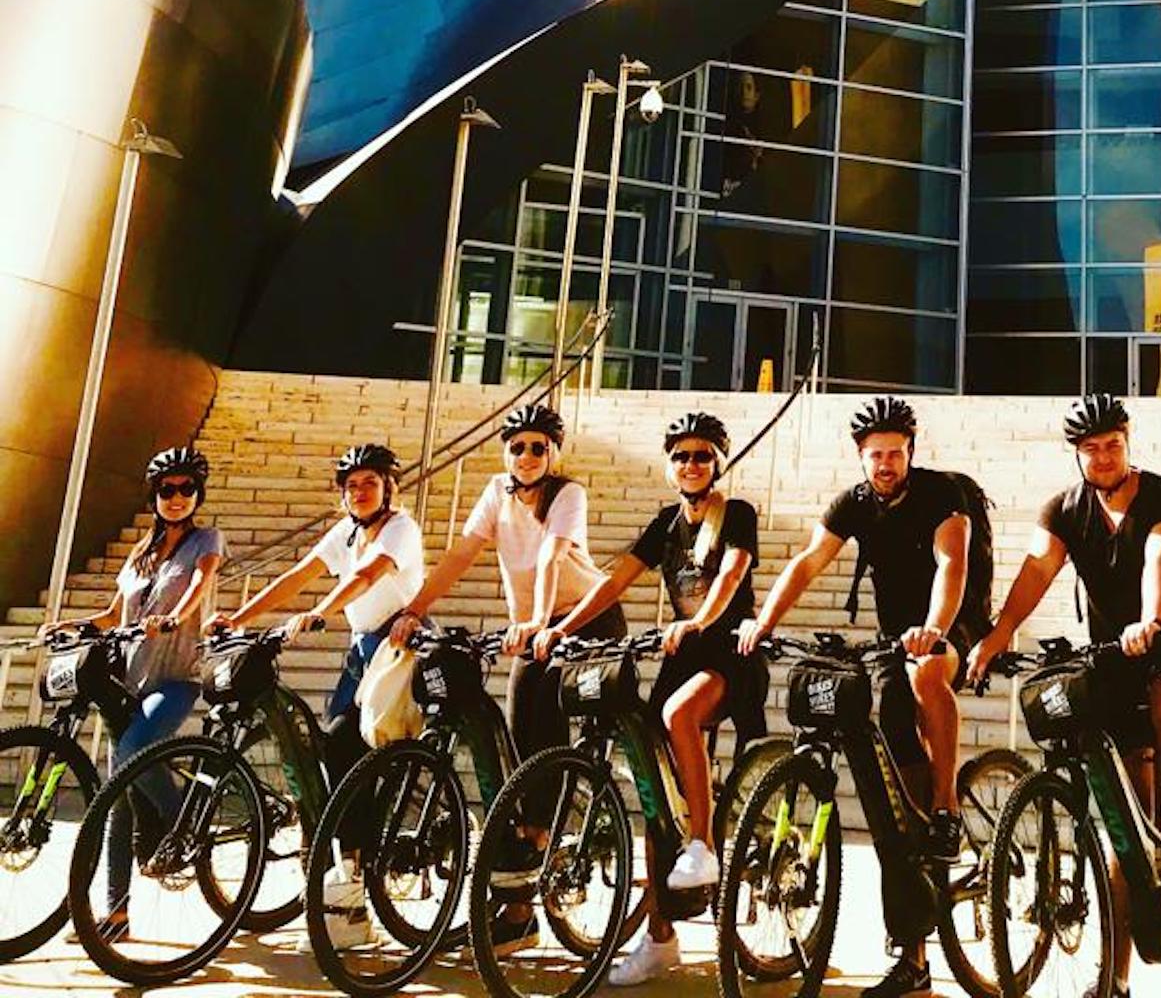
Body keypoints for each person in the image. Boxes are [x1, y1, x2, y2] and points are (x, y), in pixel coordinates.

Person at [737, 394, 986, 998]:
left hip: (947, 626)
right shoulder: (854, 503)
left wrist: (935, 628)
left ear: (910, 453)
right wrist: (763, 621)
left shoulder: (940, 496)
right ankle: (914, 956)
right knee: (897, 806)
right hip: (888, 639)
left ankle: (949, 807)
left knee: (928, 674)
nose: (885, 465)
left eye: (895, 454)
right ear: (860, 457)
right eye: (875, 455)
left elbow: (951, 563)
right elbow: (808, 561)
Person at [969, 392, 1161, 980]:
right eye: (1090, 450)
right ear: (1076, 457)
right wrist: (998, 635)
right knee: (1123, 825)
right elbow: (1035, 570)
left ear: (1128, 444)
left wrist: (1152, 620)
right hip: (1113, 654)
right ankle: (1117, 978)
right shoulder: (1065, 510)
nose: (1102, 458)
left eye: (1112, 446)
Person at [534, 411, 768, 988]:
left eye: (702, 455)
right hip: (679, 655)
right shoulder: (666, 523)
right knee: (650, 788)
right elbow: (615, 581)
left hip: (727, 656)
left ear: (718, 463)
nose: (692, 464)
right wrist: (560, 627)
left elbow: (733, 573)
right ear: (670, 467)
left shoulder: (734, 514)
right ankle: (660, 939)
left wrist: (700, 622)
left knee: (678, 713)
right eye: (682, 456)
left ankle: (704, 844)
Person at [391, 401, 621, 954]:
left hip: (585, 621)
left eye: (537, 447)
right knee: (518, 731)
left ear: (554, 453)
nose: (525, 456)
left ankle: (545, 838)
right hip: (533, 626)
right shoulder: (497, 492)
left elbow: (550, 558)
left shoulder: (569, 495)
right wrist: (415, 609)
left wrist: (541, 621)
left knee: (546, 731)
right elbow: (462, 554)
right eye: (516, 446)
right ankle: (520, 887)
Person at [210, 442, 422, 949]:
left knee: (349, 749)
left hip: (399, 649)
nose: (359, 491)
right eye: (351, 485)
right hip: (361, 653)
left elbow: (370, 575)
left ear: (388, 487)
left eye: (370, 483)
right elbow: (296, 575)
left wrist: (321, 611)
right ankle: (343, 871)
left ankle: (352, 888)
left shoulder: (400, 528)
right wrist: (238, 619)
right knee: (331, 752)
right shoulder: (345, 532)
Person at [44, 445, 224, 945]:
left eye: (187, 488)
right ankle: (116, 914)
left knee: (130, 755)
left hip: (176, 678)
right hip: (129, 683)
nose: (176, 497)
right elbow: (111, 614)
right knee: (116, 796)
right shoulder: (141, 552)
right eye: (167, 489)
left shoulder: (205, 540)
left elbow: (198, 583)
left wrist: (172, 617)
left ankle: (179, 818)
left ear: (197, 494)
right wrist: (75, 625)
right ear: (154, 495)